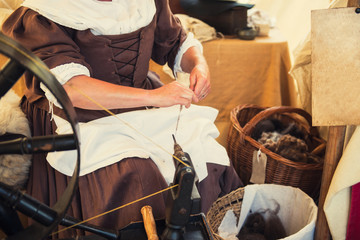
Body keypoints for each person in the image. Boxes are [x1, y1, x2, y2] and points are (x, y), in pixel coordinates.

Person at [2, 0, 242, 238]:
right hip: (77, 114)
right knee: (136, 176)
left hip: (145, 102)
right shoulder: (45, 12)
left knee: (206, 160)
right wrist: (155, 96)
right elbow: (73, 89)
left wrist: (199, 65)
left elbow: (175, 43)